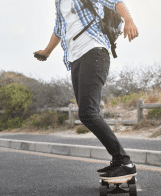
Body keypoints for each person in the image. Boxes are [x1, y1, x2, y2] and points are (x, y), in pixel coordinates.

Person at [33, 0, 139, 179]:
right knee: (85, 114)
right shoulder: (59, 3)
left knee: (88, 112)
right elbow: (59, 29)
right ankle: (118, 160)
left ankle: (124, 162)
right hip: (75, 58)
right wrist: (47, 51)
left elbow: (115, 2)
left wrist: (129, 20)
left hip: (94, 51)